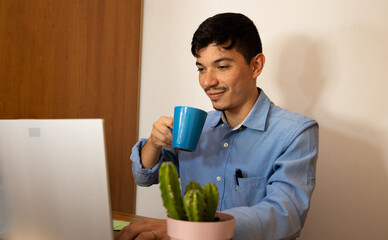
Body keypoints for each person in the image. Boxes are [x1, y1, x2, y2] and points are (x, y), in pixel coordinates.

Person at [116, 12, 319, 240]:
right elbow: (143, 177)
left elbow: (285, 217)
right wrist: (154, 143)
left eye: (221, 67)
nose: (207, 81)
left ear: (256, 66)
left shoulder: (295, 132)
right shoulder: (197, 127)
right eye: (201, 68)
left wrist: (189, 228)